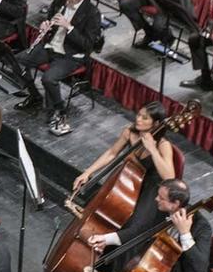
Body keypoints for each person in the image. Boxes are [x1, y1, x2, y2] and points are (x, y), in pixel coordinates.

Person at [86, 179, 212, 272]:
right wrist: (106, 239)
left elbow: (200, 266)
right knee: (122, 256)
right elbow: (140, 230)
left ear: (175, 204)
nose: (156, 199)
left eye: (161, 198)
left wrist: (184, 233)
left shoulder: (201, 227)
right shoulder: (162, 209)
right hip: (153, 266)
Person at [71, 102, 178, 240]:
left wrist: (152, 149)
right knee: (97, 203)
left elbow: (169, 177)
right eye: (139, 115)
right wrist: (87, 173)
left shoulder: (163, 144)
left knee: (134, 225)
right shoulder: (129, 132)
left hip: (151, 189)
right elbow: (112, 153)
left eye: (145, 118)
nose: (138, 119)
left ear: (156, 123)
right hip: (130, 181)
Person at [15, 0, 102, 135]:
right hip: (50, 47)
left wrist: (69, 27)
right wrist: (45, 25)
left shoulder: (92, 13)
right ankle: (35, 95)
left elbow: (87, 45)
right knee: (18, 60)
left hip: (71, 55)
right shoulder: (59, 1)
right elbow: (49, 21)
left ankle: (59, 110)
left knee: (48, 78)